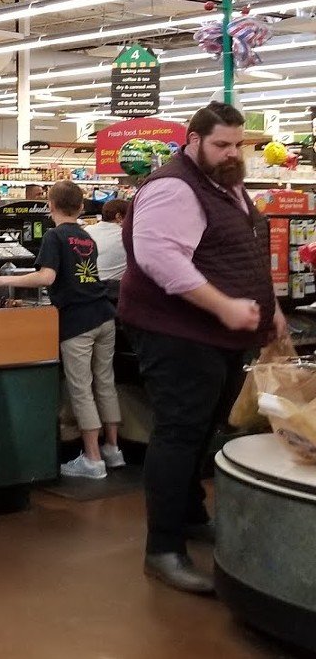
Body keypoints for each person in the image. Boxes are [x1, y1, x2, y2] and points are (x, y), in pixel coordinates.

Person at [120, 101, 281, 595]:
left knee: (204, 426)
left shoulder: (224, 185)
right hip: (178, 333)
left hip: (216, 335)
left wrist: (267, 306)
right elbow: (159, 257)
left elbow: (240, 249)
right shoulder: (173, 186)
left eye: (238, 144)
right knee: (179, 431)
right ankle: (162, 550)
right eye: (221, 144)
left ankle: (189, 515)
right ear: (192, 140)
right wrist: (222, 306)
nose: (232, 153)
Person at [0, 180, 123, 480]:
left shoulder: (54, 235)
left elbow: (47, 277)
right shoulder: (86, 236)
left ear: (50, 205)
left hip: (77, 320)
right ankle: (112, 450)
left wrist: (0, 281)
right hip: (104, 314)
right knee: (105, 382)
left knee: (80, 387)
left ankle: (92, 459)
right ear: (80, 207)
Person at [88, 199, 129, 300]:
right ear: (118, 217)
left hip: (88, 289)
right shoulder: (126, 236)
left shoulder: (87, 230)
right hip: (114, 294)